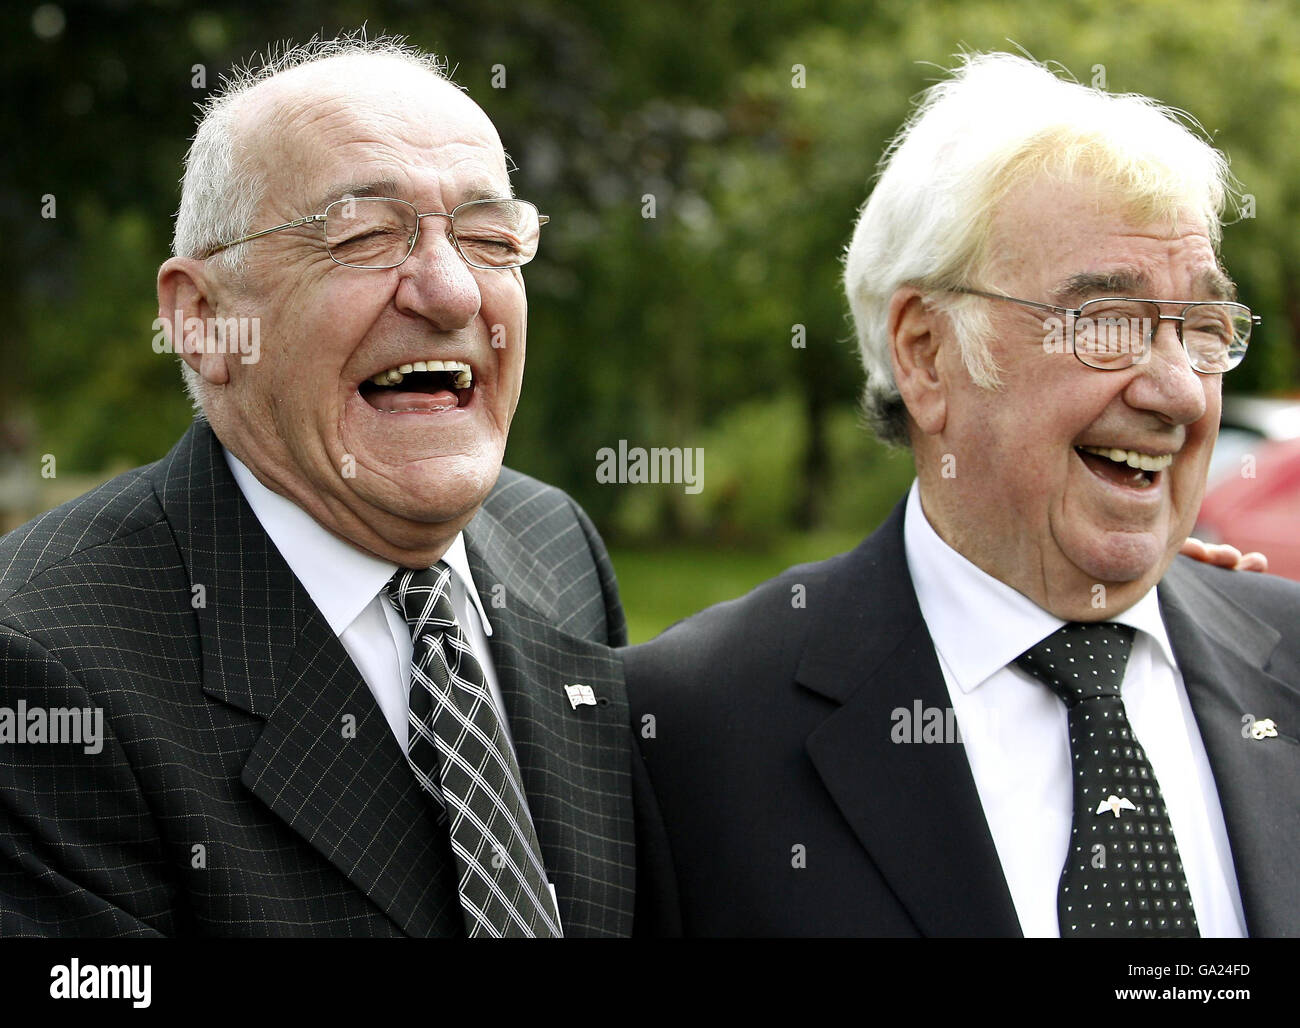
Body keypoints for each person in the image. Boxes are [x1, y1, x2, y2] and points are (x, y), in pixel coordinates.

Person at [627, 53, 1300, 937]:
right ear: (926, 354)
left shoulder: (1286, 661)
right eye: (1107, 324)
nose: (1178, 393)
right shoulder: (689, 728)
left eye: (1204, 329)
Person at [0, 36, 634, 938]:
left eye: (492, 239)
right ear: (206, 320)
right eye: (366, 236)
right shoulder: (42, 666)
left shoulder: (556, 545)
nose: (453, 294)